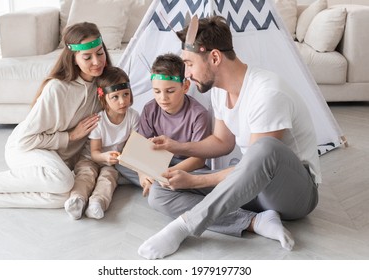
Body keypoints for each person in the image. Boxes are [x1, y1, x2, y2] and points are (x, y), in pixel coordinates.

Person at [137, 16, 320, 259]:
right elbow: (222, 143)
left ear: (214, 57)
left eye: (189, 64)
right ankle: (254, 222)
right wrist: (177, 146)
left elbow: (257, 165)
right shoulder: (220, 91)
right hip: (252, 189)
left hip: (294, 194)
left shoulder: (267, 93)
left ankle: (184, 226)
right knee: (161, 192)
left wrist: (195, 182)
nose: (187, 74)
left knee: (264, 148)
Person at [0, 22, 111, 208]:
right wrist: (70, 136)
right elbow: (25, 140)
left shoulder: (103, 86)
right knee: (63, 181)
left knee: (64, 196)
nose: (97, 62)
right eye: (87, 57)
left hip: (55, 160)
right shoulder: (58, 89)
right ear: (74, 58)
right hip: (26, 150)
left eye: (100, 53)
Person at [115, 53, 211, 197]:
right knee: (120, 162)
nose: (162, 98)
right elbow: (140, 149)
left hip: (187, 167)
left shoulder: (198, 114)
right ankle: (156, 184)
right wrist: (142, 173)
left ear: (185, 86)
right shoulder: (150, 109)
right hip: (157, 162)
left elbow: (198, 159)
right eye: (157, 91)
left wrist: (166, 175)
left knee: (206, 180)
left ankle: (160, 186)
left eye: (170, 91)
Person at [64, 67, 139, 219]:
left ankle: (97, 202)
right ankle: (76, 200)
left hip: (112, 161)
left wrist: (121, 158)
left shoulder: (133, 116)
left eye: (126, 94)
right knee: (86, 175)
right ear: (104, 98)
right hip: (90, 158)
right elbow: (95, 153)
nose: (123, 101)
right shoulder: (99, 120)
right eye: (115, 97)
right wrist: (105, 157)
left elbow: (133, 145)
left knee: (108, 178)